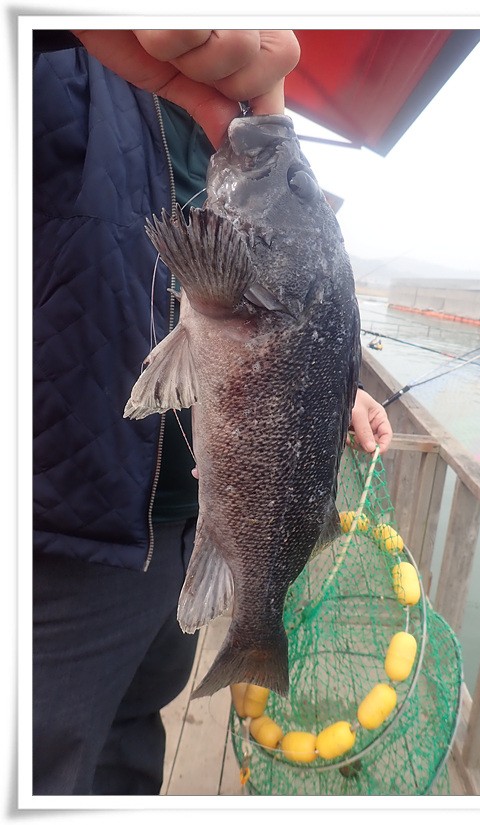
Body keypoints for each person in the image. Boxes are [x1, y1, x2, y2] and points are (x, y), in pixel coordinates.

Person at [33, 29, 393, 796]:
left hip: (190, 526)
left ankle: (246, 635)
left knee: (134, 738)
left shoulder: (232, 145)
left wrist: (333, 393)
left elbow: (282, 327)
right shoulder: (54, 70)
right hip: (65, 538)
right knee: (44, 761)